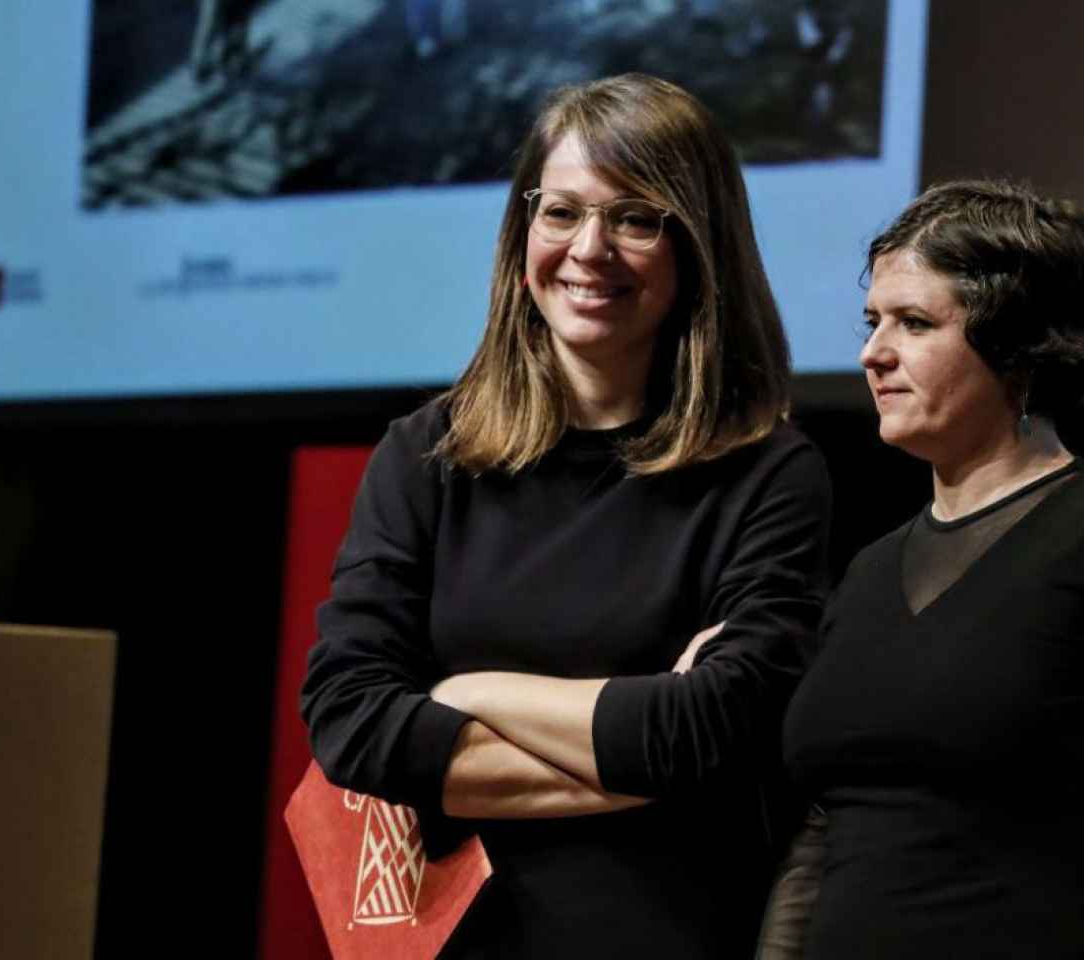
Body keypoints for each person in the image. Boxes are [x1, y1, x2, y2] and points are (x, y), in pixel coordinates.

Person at [301, 73, 832, 958]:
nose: (590, 249)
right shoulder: (427, 455)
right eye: (561, 212)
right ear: (521, 236)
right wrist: (643, 754)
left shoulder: (768, 474)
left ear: (698, 247)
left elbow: (715, 730)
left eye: (637, 217)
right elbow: (350, 722)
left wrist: (464, 695)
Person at [766, 180, 1084, 958]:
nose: (873, 353)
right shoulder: (868, 570)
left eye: (914, 323)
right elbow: (824, 832)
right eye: (873, 323)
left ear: (1017, 346)